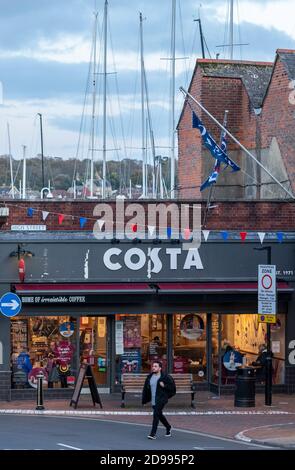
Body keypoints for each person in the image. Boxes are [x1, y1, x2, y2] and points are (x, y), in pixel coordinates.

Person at [142, 360, 176, 440]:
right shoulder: (149, 377)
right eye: (153, 366)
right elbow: (146, 390)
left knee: (156, 414)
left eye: (155, 366)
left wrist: (164, 386)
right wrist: (144, 400)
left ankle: (152, 434)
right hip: (154, 399)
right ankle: (168, 427)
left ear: (160, 368)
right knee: (159, 414)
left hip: (161, 399)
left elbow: (173, 388)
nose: (153, 368)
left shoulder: (165, 377)